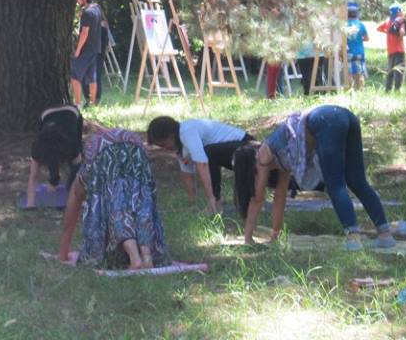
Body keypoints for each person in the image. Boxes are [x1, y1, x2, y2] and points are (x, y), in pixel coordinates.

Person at [233, 105, 395, 250]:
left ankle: (353, 239)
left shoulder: (262, 156)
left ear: (249, 166)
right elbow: (280, 197)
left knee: (335, 184)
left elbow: (257, 199)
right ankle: (385, 235)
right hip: (345, 115)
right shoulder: (281, 155)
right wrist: (275, 234)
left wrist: (247, 239)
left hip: (325, 121)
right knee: (357, 181)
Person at [57, 127, 167, 269]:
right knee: (142, 204)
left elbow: (70, 220)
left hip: (106, 152)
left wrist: (62, 254)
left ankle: (135, 259)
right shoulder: (92, 158)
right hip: (137, 149)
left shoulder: (82, 178)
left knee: (117, 207)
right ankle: (147, 257)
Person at [146, 116, 251, 214]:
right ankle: (219, 204)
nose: (165, 148)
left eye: (164, 144)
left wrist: (211, 198)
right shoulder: (181, 146)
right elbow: (187, 174)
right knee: (208, 153)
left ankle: (216, 203)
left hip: (247, 148)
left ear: (171, 135)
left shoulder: (186, 132)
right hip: (236, 154)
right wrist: (193, 203)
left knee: (208, 153)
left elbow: (202, 164)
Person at [25, 105, 83, 208]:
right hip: (47, 114)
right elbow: (33, 176)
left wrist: (30, 204)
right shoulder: (38, 149)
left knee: (76, 163)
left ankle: (58, 181)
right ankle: (54, 180)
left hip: (70, 113)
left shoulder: (71, 147)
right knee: (66, 160)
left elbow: (79, 170)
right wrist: (30, 205)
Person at [71, 0, 103, 108]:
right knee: (92, 77)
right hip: (95, 48)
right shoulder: (97, 9)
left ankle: (77, 104)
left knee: (74, 76)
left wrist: (78, 50)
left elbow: (84, 33)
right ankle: (92, 104)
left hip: (85, 49)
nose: (77, 0)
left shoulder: (87, 13)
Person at [377, 3, 406, 91]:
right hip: (399, 49)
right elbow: (402, 32)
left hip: (390, 50)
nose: (402, 12)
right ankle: (397, 89)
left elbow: (378, 28)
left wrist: (388, 32)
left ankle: (388, 88)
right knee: (399, 70)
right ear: (398, 12)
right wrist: (400, 36)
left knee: (390, 70)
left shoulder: (388, 21)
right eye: (401, 10)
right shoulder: (400, 20)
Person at [346, 1, 369, 90]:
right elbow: (367, 38)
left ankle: (350, 90)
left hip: (348, 52)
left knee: (349, 72)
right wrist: (359, 39)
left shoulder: (345, 25)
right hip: (359, 52)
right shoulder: (361, 25)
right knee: (360, 72)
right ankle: (361, 89)